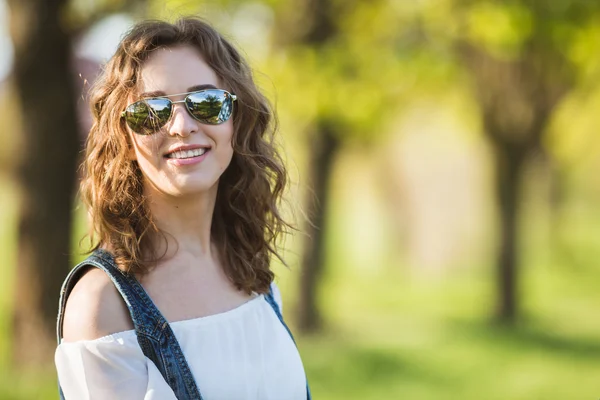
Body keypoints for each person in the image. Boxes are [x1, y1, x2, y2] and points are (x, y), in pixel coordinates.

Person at [54, 17, 311, 400]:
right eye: (151, 110)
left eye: (206, 103)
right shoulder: (102, 305)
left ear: (236, 122)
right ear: (124, 137)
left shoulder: (254, 273)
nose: (180, 126)